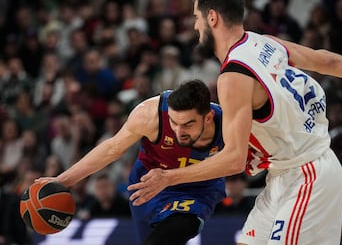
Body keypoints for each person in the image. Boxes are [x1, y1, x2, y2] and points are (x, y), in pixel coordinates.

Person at [128, 0, 342, 245]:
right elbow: (323, 59)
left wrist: (169, 177)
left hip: (306, 173)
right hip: (284, 173)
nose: (196, 25)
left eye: (197, 17)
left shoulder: (233, 76)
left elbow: (233, 160)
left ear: (212, 18)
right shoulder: (264, 42)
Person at [36, 79, 226, 244]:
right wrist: (62, 181)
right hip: (148, 187)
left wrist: (170, 177)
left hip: (197, 190)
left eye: (187, 124)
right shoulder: (149, 114)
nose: (178, 131)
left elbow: (237, 162)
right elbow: (112, 148)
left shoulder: (229, 123)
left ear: (208, 117)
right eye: (173, 123)